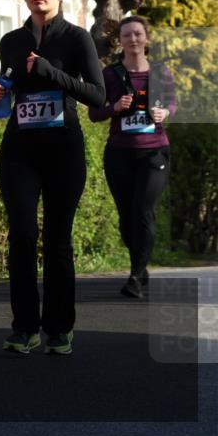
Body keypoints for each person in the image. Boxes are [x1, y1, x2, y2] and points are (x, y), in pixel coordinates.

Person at [0, 0, 105, 356]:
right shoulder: (12, 41)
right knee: (21, 235)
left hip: (63, 149)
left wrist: (52, 72)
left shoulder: (76, 39)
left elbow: (98, 95)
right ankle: (24, 327)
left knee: (57, 239)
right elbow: (9, 82)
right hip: (20, 148)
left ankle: (59, 327)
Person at [88, 16, 175, 299]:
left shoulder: (161, 73)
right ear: (120, 41)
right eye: (127, 35)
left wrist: (165, 113)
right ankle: (141, 263)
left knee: (143, 211)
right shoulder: (110, 75)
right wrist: (115, 107)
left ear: (146, 38)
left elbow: (172, 103)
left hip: (154, 150)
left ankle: (136, 276)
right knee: (126, 218)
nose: (133, 40)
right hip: (120, 153)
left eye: (138, 34)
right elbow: (94, 113)